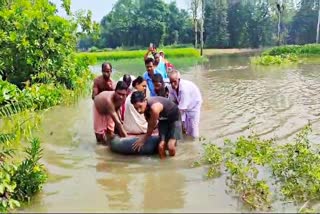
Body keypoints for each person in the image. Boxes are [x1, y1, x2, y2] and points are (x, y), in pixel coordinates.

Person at [130, 91, 183, 159]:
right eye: (136, 108)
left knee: (171, 146)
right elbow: (150, 124)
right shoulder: (146, 108)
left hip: (174, 118)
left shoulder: (154, 108)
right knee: (161, 146)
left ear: (145, 100)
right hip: (163, 119)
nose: (139, 110)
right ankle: (163, 165)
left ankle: (173, 163)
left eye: (140, 106)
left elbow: (151, 126)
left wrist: (143, 139)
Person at [167, 70, 202, 139]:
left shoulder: (184, 90)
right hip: (183, 105)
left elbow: (181, 110)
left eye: (174, 81)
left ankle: (194, 142)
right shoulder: (171, 87)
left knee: (193, 129)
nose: (173, 84)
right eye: (171, 82)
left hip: (194, 105)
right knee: (185, 127)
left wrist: (172, 121)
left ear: (179, 79)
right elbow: (171, 102)